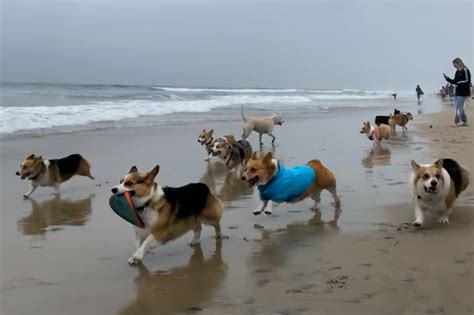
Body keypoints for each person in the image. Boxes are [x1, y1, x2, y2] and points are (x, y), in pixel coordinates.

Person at [444, 57, 471, 127]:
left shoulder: (465, 70)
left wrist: (459, 82)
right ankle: (465, 121)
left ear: (458, 63)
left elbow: (468, 81)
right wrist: (448, 79)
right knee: (458, 107)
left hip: (464, 92)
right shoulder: (457, 72)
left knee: (458, 107)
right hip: (457, 91)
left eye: (454, 64)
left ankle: (456, 122)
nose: (454, 66)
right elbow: (455, 82)